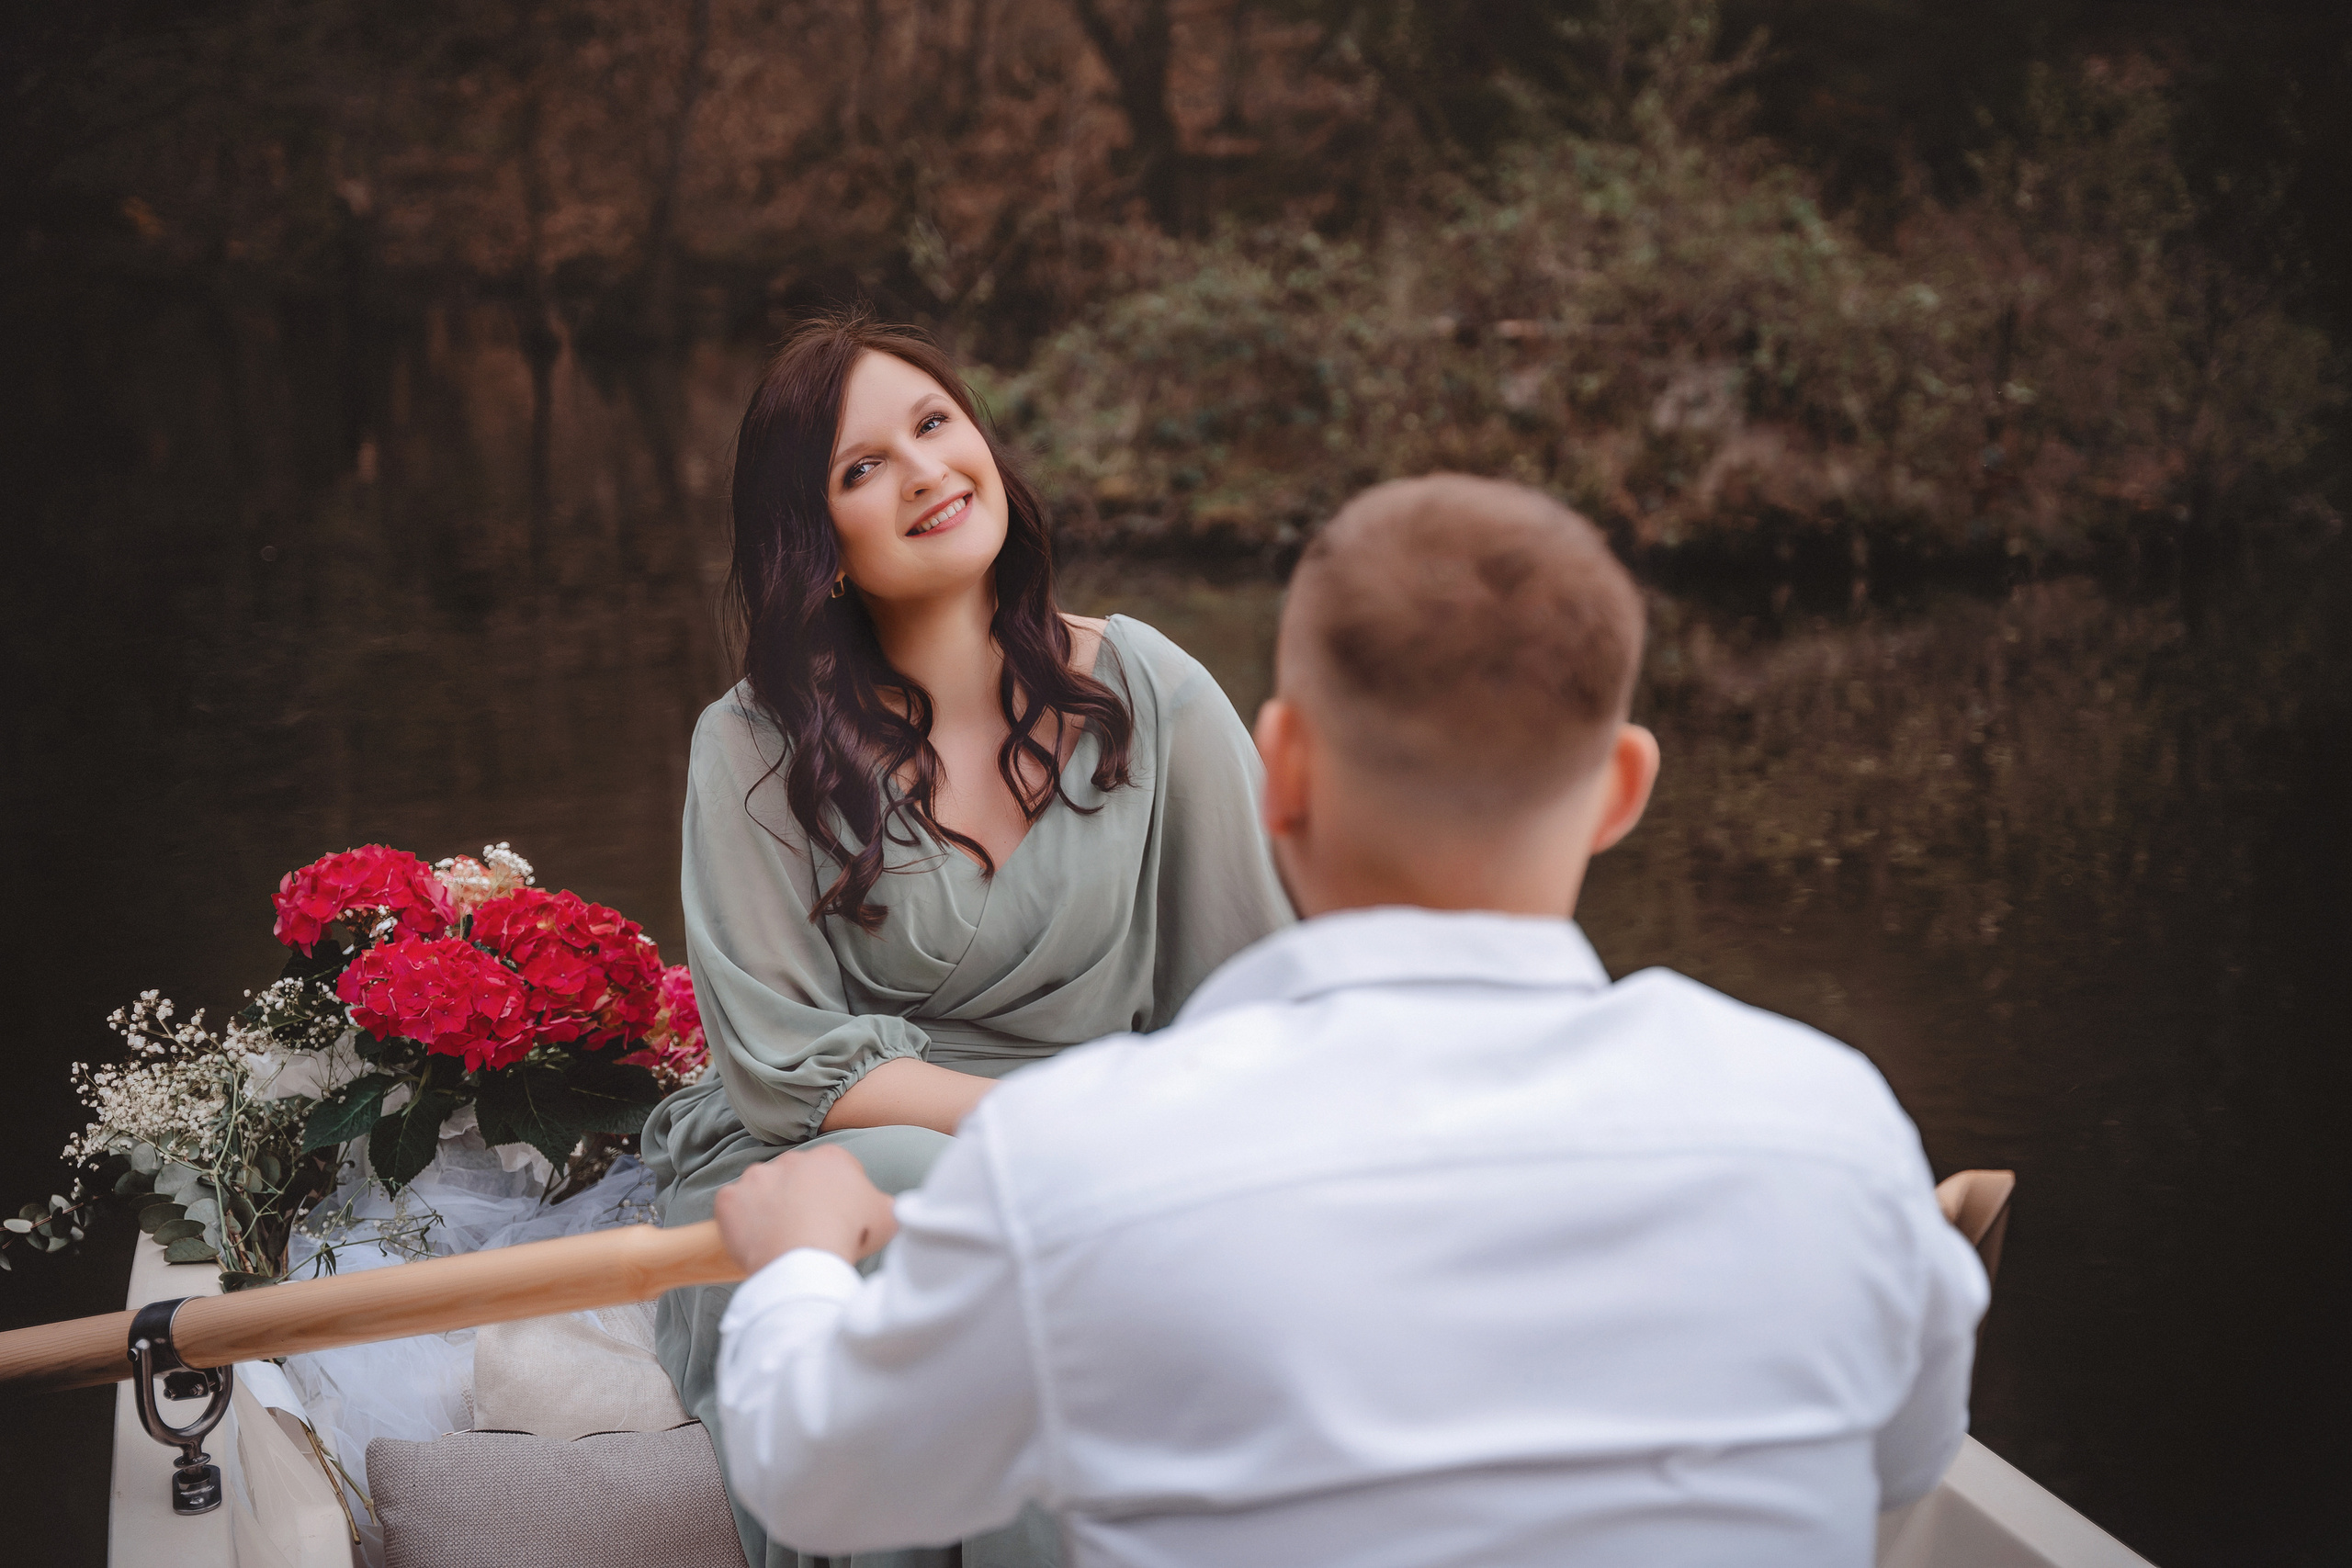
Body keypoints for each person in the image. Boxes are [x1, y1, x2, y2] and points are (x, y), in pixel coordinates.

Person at [708, 475, 1992, 1567]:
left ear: (1286, 772)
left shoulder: (1072, 1164)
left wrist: (804, 1261)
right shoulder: (1834, 1122)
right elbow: (1906, 1461)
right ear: (1623, 789)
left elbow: (820, 1478)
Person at [640, 311, 1292, 1568]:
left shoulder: (1150, 693)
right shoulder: (752, 749)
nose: (925, 470)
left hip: (1095, 1145)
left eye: (934, 425)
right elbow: (784, 1063)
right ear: (817, 544)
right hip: (836, 1152)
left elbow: (1255, 1000)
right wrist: (1032, 1135)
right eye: (860, 468)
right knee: (945, 1203)